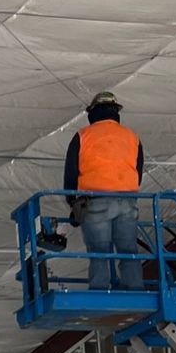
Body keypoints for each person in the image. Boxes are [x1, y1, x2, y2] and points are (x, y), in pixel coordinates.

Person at [61, 91, 146, 290]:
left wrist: (73, 203)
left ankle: (100, 290)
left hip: (95, 201)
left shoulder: (83, 136)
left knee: (99, 251)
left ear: (93, 112)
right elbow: (138, 170)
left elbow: (71, 172)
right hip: (127, 201)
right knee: (128, 251)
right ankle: (135, 288)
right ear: (116, 111)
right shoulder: (132, 137)